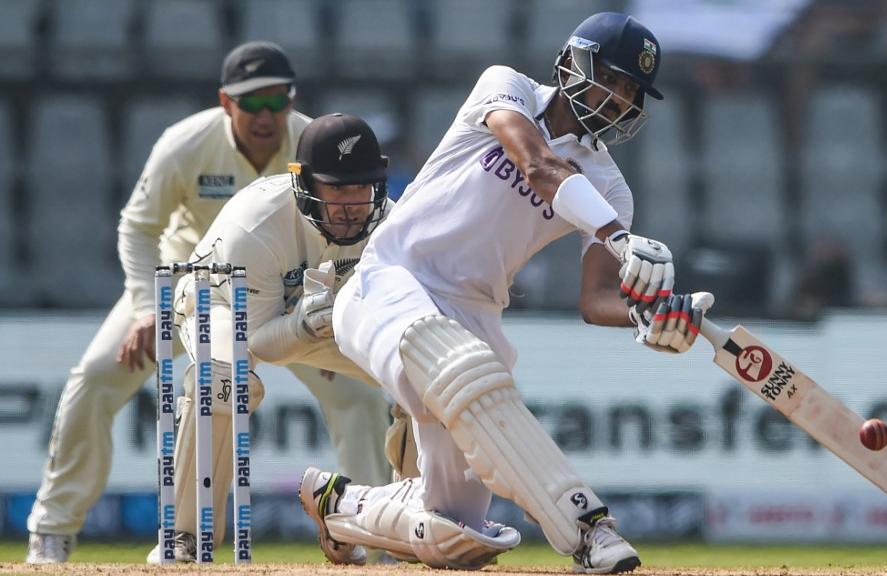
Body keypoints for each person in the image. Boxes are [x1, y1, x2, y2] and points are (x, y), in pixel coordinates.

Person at [297, 12, 713, 574]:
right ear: (574, 61)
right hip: (390, 281)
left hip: (475, 316)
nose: (617, 99)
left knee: (454, 534)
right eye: (611, 79)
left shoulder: (611, 185)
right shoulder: (507, 86)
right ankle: (588, 528)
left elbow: (595, 303)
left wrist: (651, 318)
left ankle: (339, 503)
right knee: (458, 363)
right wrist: (618, 236)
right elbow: (536, 162)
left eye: (630, 92)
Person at [26, 42, 391, 564]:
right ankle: (53, 529)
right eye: (252, 103)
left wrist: (324, 324)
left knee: (359, 397)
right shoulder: (186, 143)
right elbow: (138, 227)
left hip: (287, 297)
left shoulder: (316, 147)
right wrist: (145, 307)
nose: (266, 115)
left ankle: (371, 538)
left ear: (291, 100)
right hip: (192, 290)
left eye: (277, 101)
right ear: (226, 101)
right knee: (95, 378)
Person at [160, 113, 397, 565]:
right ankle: (185, 536)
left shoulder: (388, 221)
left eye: (360, 188)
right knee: (226, 378)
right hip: (221, 301)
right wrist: (303, 331)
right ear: (305, 183)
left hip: (319, 316)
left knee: (413, 377)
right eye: (336, 189)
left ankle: (384, 527)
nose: (351, 204)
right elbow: (259, 343)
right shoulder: (257, 223)